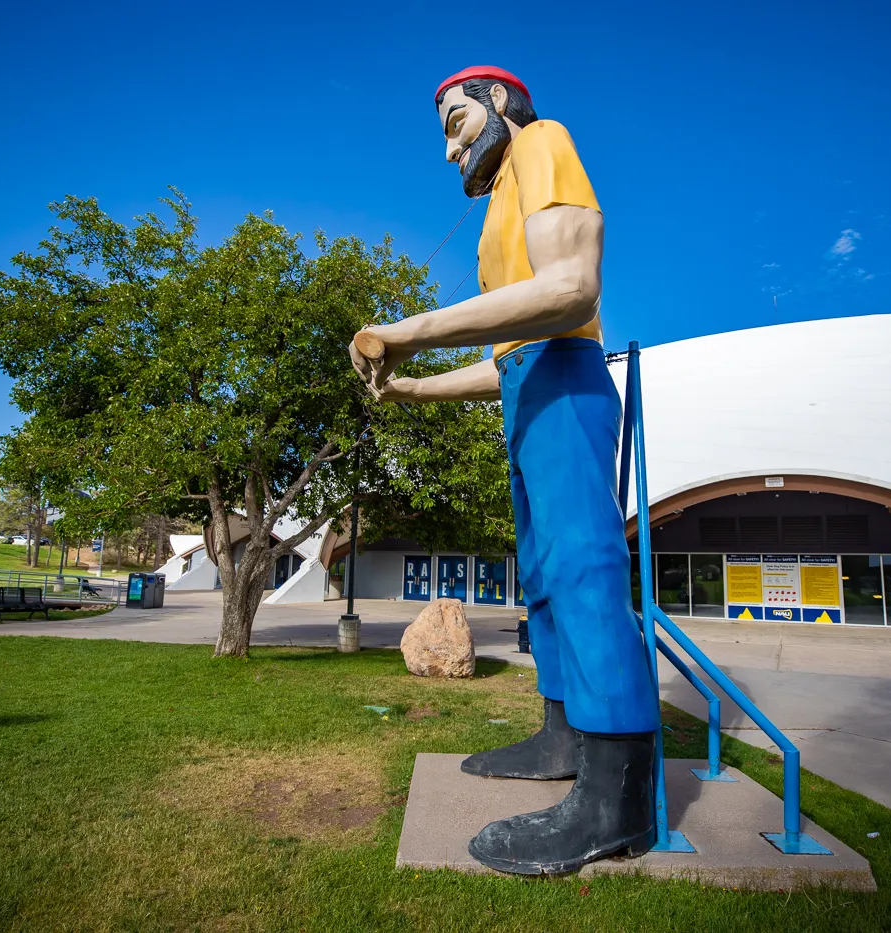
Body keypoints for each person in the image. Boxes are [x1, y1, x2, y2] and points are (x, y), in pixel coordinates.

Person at [349, 66, 659, 875]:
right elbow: (504, 356)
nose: (451, 149)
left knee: (585, 568)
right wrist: (413, 387)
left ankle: (616, 798)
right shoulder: (497, 212)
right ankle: (563, 732)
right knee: (546, 577)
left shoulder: (544, 142)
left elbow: (568, 291)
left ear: (495, 104)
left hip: (566, 382)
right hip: (529, 387)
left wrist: (408, 329)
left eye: (455, 123)